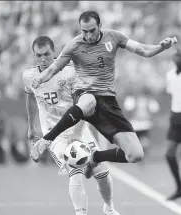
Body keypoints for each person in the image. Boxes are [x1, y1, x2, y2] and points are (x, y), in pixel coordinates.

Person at [30, 10, 177, 176]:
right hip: (84, 94)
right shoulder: (73, 45)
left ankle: (96, 157)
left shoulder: (114, 37)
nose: (88, 35)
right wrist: (40, 78)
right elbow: (53, 69)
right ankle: (46, 140)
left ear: (100, 26)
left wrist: (160, 47)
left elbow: (143, 50)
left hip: (108, 100)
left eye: (92, 30)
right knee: (89, 101)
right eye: (84, 31)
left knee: (135, 154)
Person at [23, 36, 127, 215]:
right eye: (38, 55)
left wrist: (77, 133)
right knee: (76, 169)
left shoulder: (71, 71)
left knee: (101, 172)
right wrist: (31, 126)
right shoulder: (28, 76)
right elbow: (29, 96)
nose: (43, 59)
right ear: (34, 55)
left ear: (55, 52)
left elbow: (82, 105)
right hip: (54, 136)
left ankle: (109, 207)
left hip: (78, 126)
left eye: (46, 54)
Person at [165, 49, 181, 201]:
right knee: (170, 154)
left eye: (178, 56)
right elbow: (171, 95)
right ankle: (179, 187)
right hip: (176, 117)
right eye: (175, 56)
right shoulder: (170, 74)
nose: (176, 59)